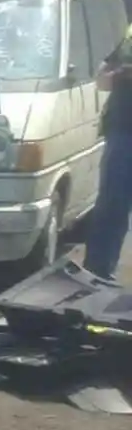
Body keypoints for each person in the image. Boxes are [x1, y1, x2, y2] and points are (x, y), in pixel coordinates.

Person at [88, 26, 132, 281]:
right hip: (122, 130)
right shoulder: (128, 35)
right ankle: (98, 271)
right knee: (111, 204)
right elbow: (102, 78)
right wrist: (120, 75)